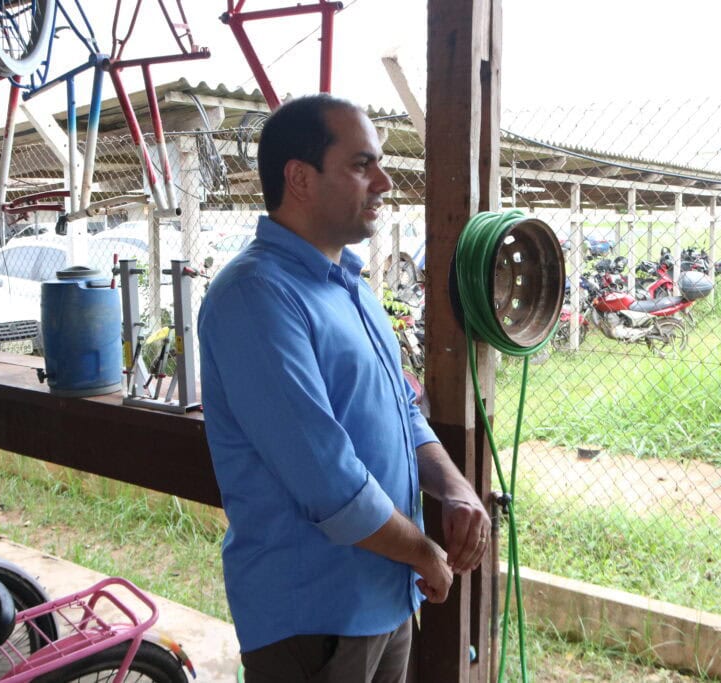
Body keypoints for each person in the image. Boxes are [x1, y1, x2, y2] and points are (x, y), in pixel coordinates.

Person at [198, 94, 490, 683]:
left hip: (386, 596)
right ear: (300, 179)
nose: (383, 180)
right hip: (314, 615)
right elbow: (325, 478)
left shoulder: (352, 288)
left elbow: (404, 415)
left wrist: (456, 488)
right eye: (362, 165)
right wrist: (424, 552)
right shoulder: (256, 296)